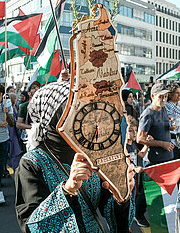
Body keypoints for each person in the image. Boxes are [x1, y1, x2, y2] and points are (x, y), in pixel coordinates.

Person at [15, 81, 136, 232]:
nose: (85, 118)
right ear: (53, 117)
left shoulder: (93, 153)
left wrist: (121, 195)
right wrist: (68, 190)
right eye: (74, 111)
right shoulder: (32, 163)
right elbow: (31, 226)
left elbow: (113, 215)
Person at [137, 83, 176, 165]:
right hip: (155, 160)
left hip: (168, 157)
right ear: (152, 96)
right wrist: (162, 144)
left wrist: (171, 127)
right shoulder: (147, 115)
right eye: (160, 96)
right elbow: (140, 139)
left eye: (165, 96)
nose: (164, 99)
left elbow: (160, 127)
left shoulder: (163, 108)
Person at [125, 115, 150, 227]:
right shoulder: (124, 146)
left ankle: (131, 218)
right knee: (127, 201)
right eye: (130, 130)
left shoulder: (133, 145)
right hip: (127, 180)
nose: (134, 133)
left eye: (135, 130)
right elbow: (126, 161)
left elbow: (142, 154)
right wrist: (134, 168)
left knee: (133, 200)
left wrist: (147, 144)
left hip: (134, 178)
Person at [8, 92, 22, 171]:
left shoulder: (14, 107)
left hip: (13, 132)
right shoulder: (10, 109)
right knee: (14, 153)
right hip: (11, 131)